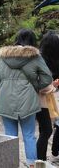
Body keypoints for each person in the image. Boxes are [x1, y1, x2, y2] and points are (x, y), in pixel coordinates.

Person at [0, 29, 53, 167]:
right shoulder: (35, 57)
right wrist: (35, 86)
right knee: (29, 135)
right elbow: (47, 77)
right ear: (32, 41)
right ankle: (31, 164)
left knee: (9, 136)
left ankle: (10, 164)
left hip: (6, 100)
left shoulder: (4, 57)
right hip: (28, 100)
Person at [39, 31, 59, 162]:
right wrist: (53, 84)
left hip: (49, 99)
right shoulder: (39, 60)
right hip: (43, 99)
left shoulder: (41, 59)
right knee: (46, 130)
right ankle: (40, 159)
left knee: (46, 130)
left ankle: (44, 156)